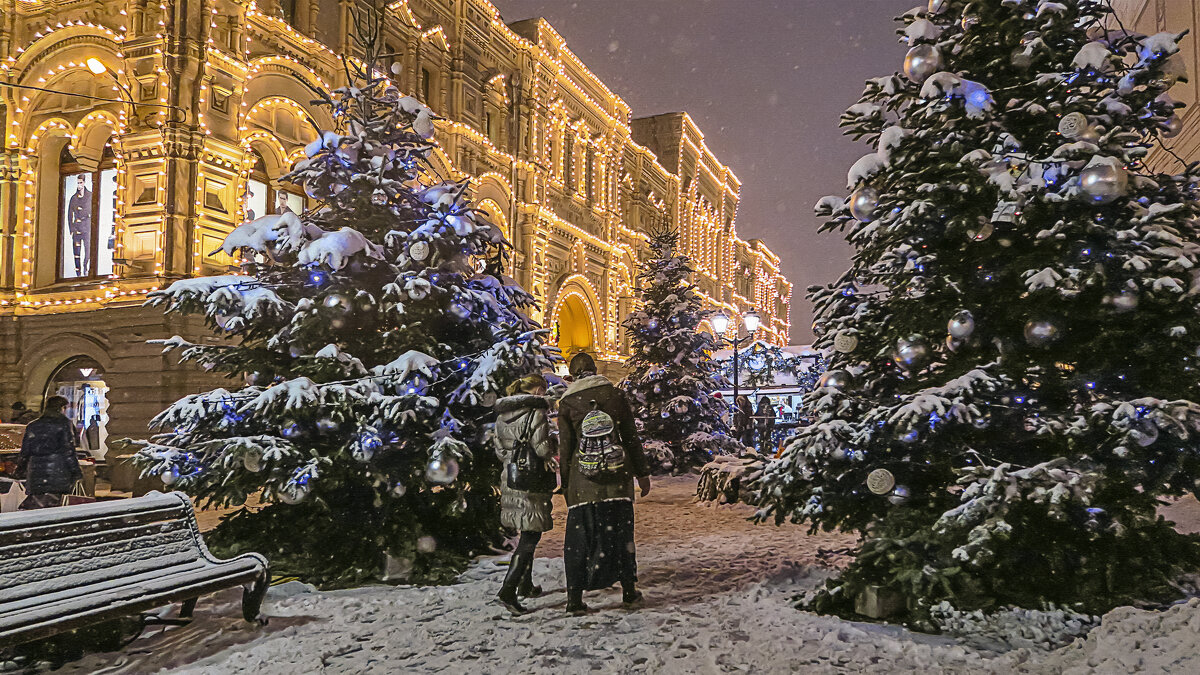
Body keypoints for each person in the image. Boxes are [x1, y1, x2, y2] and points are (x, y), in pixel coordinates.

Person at [557, 352, 650, 615]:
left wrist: (566, 485)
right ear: (595, 369)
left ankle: (574, 598)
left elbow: (566, 449)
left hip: (583, 482)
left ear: (572, 373)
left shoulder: (567, 402)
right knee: (622, 536)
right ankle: (629, 591)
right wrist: (642, 473)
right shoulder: (615, 396)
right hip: (617, 478)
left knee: (579, 541)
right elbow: (630, 437)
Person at [493, 373, 557, 615]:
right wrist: (552, 447)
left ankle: (525, 584)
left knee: (525, 532)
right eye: (544, 388)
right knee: (531, 536)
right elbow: (541, 449)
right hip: (531, 481)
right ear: (537, 389)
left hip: (511, 478)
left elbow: (500, 451)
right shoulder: (536, 412)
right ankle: (508, 590)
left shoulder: (502, 415)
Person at [16, 396, 81, 510]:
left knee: (38, 503)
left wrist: (20, 469)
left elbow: (25, 452)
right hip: (57, 471)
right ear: (62, 408)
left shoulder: (33, 425)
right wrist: (76, 471)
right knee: (53, 505)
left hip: (36, 471)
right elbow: (68, 451)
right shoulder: (64, 424)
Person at [66, 180, 92, 277]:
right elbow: (69, 214)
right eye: (77, 183)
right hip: (76, 229)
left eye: (80, 182)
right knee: (76, 252)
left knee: (87, 251)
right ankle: (78, 272)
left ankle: (86, 268)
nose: (79, 185)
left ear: (84, 183)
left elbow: (94, 211)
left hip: (87, 228)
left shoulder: (90, 196)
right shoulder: (73, 198)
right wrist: (71, 229)